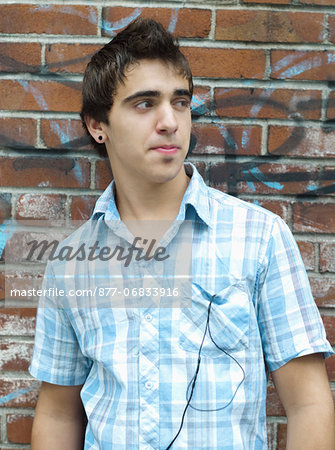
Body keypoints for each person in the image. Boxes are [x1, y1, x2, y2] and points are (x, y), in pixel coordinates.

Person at [29, 18, 335, 449]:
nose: (169, 121)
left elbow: (309, 405)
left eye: (180, 102)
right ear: (98, 124)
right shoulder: (70, 262)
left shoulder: (258, 237)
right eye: (144, 103)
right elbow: (59, 413)